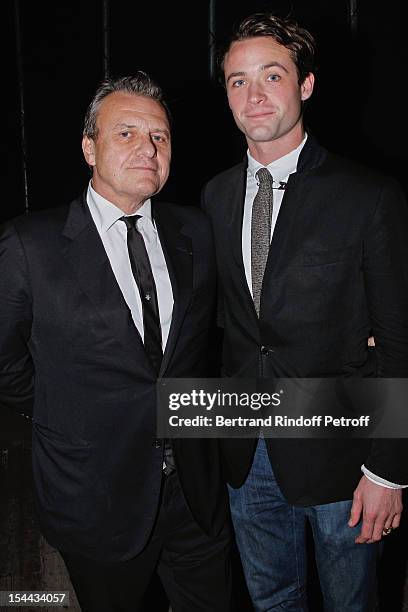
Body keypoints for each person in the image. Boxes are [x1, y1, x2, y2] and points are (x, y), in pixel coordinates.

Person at [0, 73, 231, 611]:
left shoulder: (195, 231)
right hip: (96, 497)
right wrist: (66, 411)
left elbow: (216, 338)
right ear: (88, 147)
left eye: (160, 136)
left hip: (195, 496)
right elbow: (6, 362)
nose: (148, 147)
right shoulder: (29, 246)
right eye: (125, 133)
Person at [201, 12, 408, 611]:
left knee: (352, 604)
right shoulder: (214, 196)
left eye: (272, 75)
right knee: (271, 602)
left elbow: (399, 342)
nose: (254, 94)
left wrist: (389, 470)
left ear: (306, 85)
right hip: (246, 452)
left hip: (344, 457)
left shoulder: (368, 195)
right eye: (238, 81)